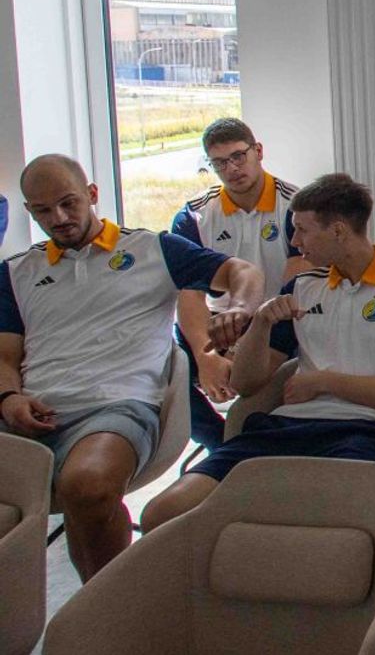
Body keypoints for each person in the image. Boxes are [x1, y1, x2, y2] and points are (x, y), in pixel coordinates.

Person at [0, 154, 263, 580]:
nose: (59, 218)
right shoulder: (16, 272)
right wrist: (9, 397)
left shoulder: (152, 249)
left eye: (69, 203)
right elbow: (4, 357)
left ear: (92, 194)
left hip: (117, 405)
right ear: (30, 211)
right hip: (31, 409)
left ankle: (109, 601)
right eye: (44, 211)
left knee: (87, 486)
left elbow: (241, 270)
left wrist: (239, 307)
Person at [141, 173, 375, 532]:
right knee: (161, 513)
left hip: (366, 431)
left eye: (302, 230)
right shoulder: (301, 287)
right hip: (284, 427)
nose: (295, 241)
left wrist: (324, 382)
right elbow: (246, 384)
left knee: (327, 525)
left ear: (338, 231)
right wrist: (261, 323)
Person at [170, 118, 307, 449]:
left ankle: (263, 441)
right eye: (219, 163)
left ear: (258, 151)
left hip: (277, 319)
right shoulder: (194, 216)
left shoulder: (297, 205)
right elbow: (190, 296)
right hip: (218, 322)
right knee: (167, 369)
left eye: (238, 156)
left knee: (286, 367)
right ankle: (223, 445)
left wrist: (244, 346)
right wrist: (206, 356)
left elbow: (296, 285)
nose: (231, 169)